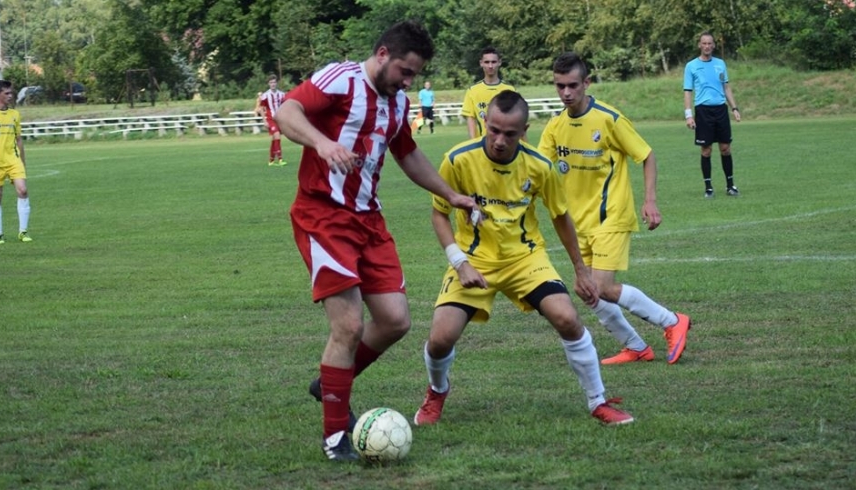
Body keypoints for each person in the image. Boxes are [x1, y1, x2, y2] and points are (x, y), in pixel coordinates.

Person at [275, 20, 479, 462]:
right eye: (404, 71)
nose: (408, 81)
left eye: (414, 75)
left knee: (395, 321)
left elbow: (408, 154)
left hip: (369, 221)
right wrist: (324, 144)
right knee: (347, 327)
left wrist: (449, 194)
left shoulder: (398, 103)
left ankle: (329, 384)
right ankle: (335, 440)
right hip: (323, 216)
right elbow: (287, 112)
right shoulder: (341, 78)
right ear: (383, 54)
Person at [414, 90, 634, 429]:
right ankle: (436, 390)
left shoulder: (540, 165)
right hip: (474, 259)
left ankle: (598, 401)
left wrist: (580, 270)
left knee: (568, 319)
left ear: (524, 130)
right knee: (441, 338)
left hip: (525, 259)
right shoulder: (458, 159)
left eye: (510, 133)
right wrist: (460, 262)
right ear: (485, 123)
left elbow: (561, 217)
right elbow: (438, 215)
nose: (500, 140)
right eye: (494, 130)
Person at [537, 52, 691, 366]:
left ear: (586, 83)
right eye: (559, 86)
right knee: (587, 290)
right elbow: (537, 168)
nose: (566, 92)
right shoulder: (554, 126)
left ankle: (672, 321)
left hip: (612, 216)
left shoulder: (608, 118)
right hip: (578, 223)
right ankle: (635, 346)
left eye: (572, 85)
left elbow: (647, 156)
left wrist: (650, 201)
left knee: (602, 287)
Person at [684, 31, 742, 198]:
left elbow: (726, 87)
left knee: (725, 148)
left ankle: (730, 185)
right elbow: (688, 92)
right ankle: (708, 187)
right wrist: (689, 115)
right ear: (699, 45)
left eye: (710, 43)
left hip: (721, 110)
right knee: (706, 150)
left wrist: (734, 108)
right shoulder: (691, 66)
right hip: (703, 111)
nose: (707, 46)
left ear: (714, 45)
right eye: (704, 43)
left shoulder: (720, 64)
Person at [0, 80, 33, 245]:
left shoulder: (15, 114)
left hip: (13, 161)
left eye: (11, 93)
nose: (10, 96)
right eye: (6, 93)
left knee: (22, 190)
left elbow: (19, 139)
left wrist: (22, 162)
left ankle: (23, 232)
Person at [460, 47, 515, 138]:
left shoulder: (509, 90)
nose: (490, 66)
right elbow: (471, 119)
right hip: (483, 145)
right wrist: (473, 144)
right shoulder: (473, 91)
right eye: (487, 62)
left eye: (493, 62)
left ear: (499, 62)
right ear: (481, 63)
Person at [256, 74, 287, 167]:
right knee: (277, 136)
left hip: (279, 119)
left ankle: (271, 161)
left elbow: (285, 106)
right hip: (270, 119)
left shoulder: (281, 94)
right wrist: (264, 120)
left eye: (274, 82)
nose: (273, 84)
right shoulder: (265, 95)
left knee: (274, 139)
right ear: (268, 84)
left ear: (276, 83)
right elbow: (261, 108)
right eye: (271, 82)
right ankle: (280, 159)